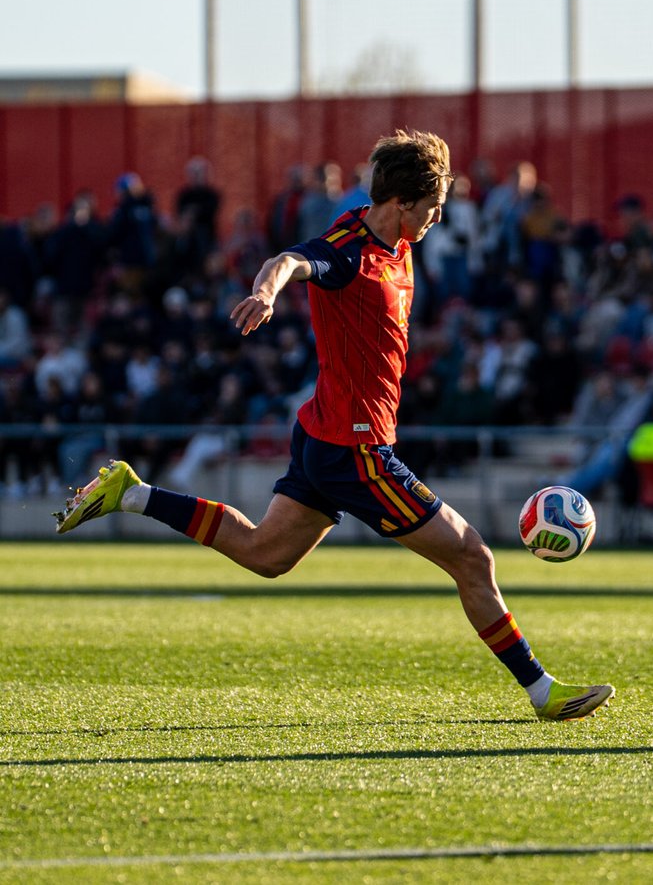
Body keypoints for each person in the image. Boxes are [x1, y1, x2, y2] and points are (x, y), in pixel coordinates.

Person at [51, 130, 612, 723]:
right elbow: (290, 260)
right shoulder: (348, 252)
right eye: (433, 207)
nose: (437, 218)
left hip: (325, 436)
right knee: (473, 557)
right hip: (357, 450)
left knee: (265, 554)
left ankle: (132, 494)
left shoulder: (394, 240)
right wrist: (266, 293)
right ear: (402, 203)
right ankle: (541, 689)